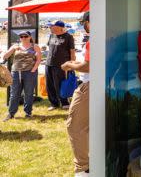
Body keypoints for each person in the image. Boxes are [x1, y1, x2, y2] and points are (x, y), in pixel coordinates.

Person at [61, 12, 91, 176]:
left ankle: (84, 168)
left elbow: (88, 66)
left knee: (74, 126)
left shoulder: (93, 40)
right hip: (100, 84)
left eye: (83, 23)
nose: (83, 26)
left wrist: (70, 66)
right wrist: (74, 63)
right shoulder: (107, 36)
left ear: (88, 22)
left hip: (88, 87)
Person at [2, 31, 42, 121]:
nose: (23, 38)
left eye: (25, 36)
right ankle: (11, 113)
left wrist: (33, 70)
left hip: (30, 72)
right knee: (14, 93)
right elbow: (5, 56)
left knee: (28, 93)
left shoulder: (35, 46)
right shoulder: (15, 46)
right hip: (16, 72)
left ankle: (28, 113)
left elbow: (39, 59)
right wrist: (12, 49)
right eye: (21, 36)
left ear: (29, 37)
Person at [46, 20, 75, 110]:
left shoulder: (68, 37)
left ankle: (64, 102)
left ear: (59, 27)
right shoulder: (51, 35)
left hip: (62, 65)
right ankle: (54, 103)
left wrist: (71, 65)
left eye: (52, 26)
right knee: (50, 85)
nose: (50, 27)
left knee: (60, 84)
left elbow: (72, 52)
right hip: (49, 63)